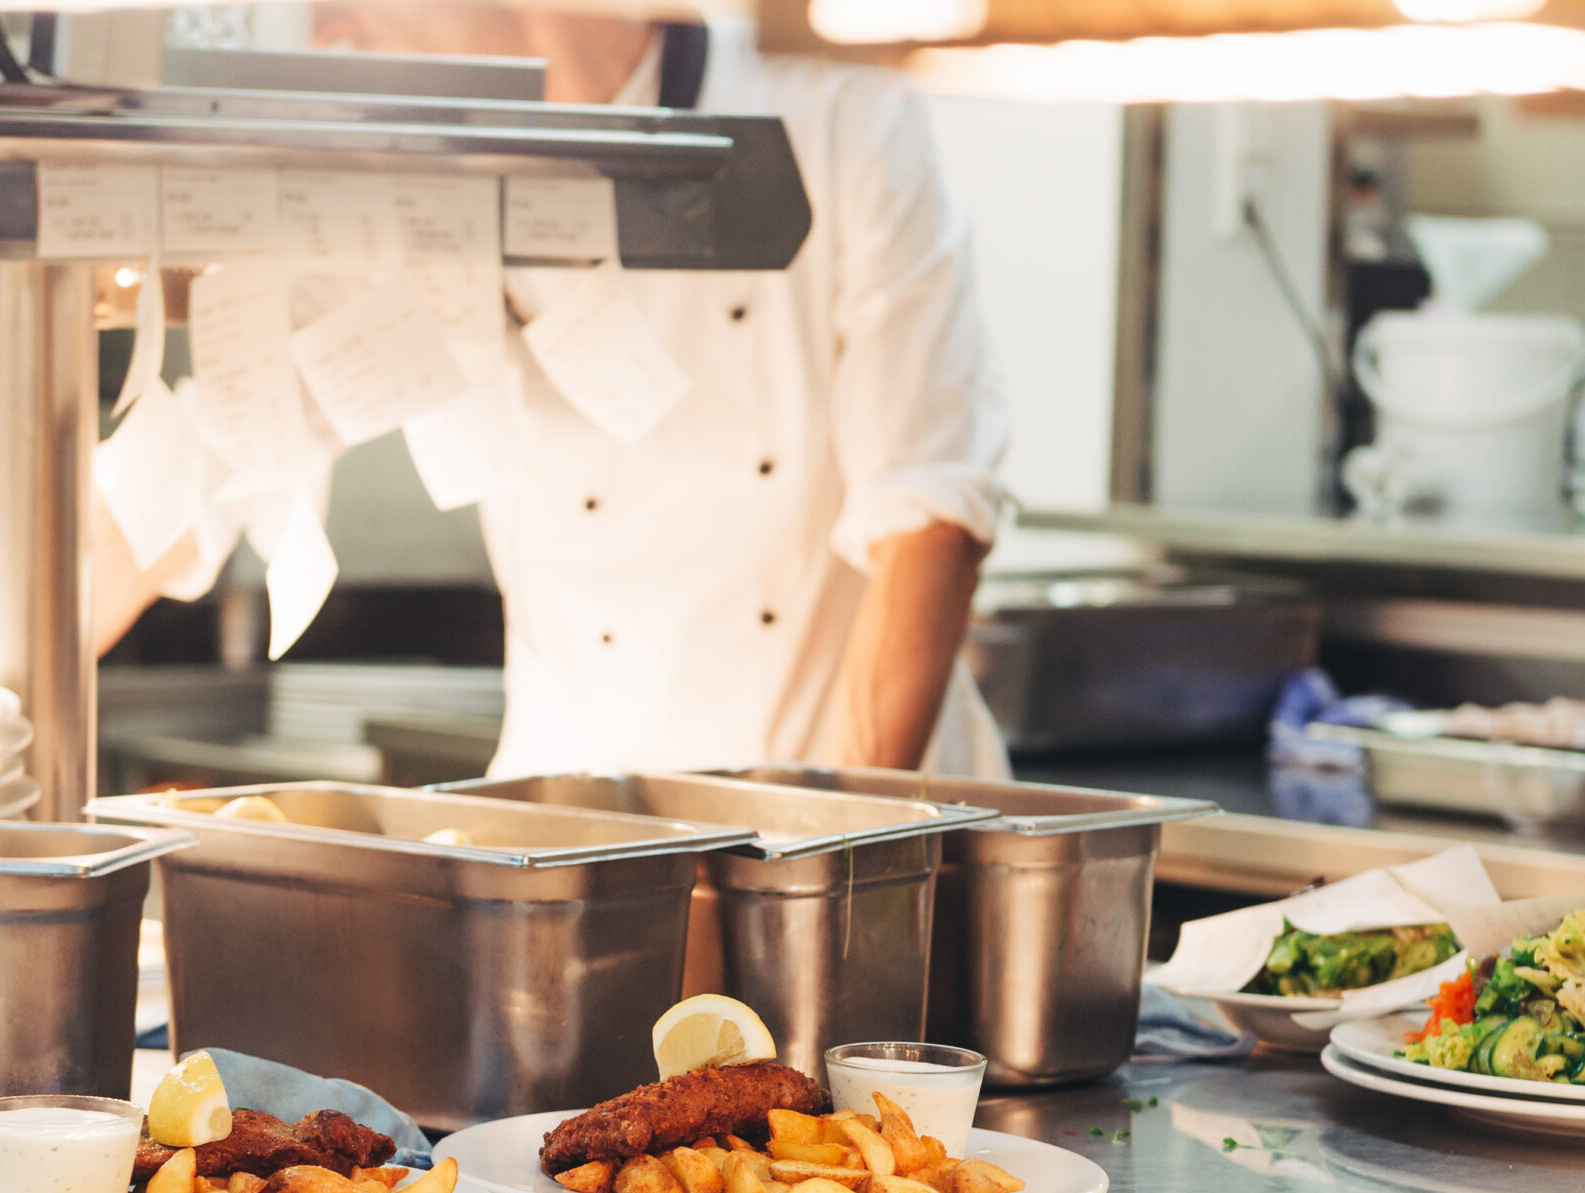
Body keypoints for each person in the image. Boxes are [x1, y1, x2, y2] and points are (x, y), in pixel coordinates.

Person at [95, 5, 1013, 777]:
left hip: (854, 812)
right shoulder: (426, 183)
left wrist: (828, 863)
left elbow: (929, 515)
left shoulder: (831, 105)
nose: (329, 27)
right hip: (581, 845)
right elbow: (212, 451)